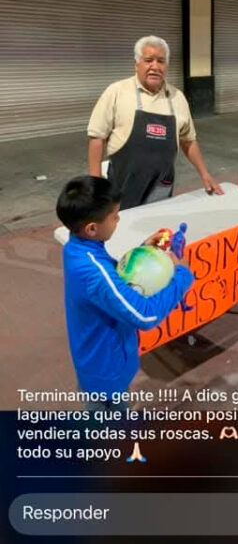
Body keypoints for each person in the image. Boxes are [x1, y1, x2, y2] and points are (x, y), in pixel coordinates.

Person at [56, 175, 194, 400]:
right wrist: (182, 276)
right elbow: (145, 315)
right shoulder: (93, 271)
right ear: (92, 228)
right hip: (106, 369)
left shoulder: (78, 249)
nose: (118, 220)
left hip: (97, 359)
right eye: (114, 216)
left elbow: (112, 278)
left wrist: (141, 250)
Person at [88, 35, 223, 209]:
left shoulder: (177, 97)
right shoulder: (117, 92)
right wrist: (96, 183)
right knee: (120, 231)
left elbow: (188, 140)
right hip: (122, 185)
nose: (154, 66)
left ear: (166, 66)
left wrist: (205, 174)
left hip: (160, 187)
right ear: (136, 64)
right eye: (148, 60)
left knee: (157, 231)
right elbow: (97, 137)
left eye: (161, 61)